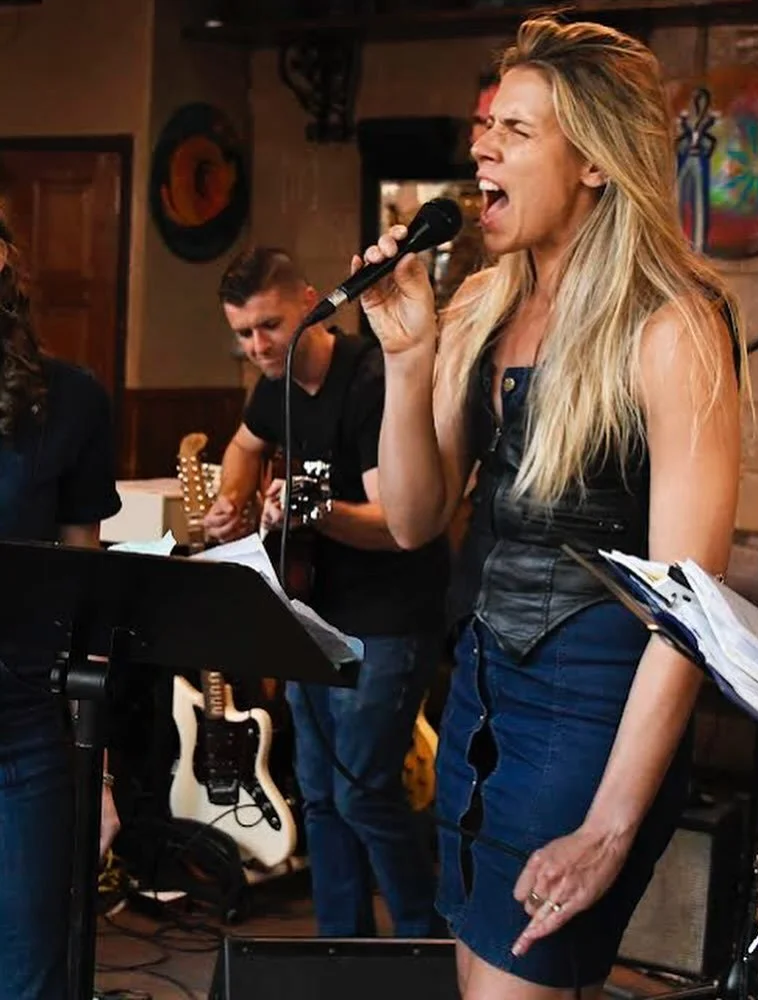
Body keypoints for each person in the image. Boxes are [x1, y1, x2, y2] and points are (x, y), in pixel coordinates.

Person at [354, 16, 746, 998]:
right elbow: (411, 520)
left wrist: (611, 824)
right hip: (478, 695)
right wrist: (407, 364)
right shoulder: (484, 304)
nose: (481, 145)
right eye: (486, 124)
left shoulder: (671, 328)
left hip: (591, 718)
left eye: (516, 130)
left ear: (595, 164)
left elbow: (688, 610)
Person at [202, 247, 450, 938]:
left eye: (270, 327)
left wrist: (318, 513)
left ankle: (423, 945)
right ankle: (341, 951)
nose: (257, 346)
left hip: (392, 615)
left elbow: (400, 528)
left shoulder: (369, 380)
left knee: (363, 791)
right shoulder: (273, 385)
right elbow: (244, 447)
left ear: (311, 301)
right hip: (313, 612)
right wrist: (233, 499)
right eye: (244, 334)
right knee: (318, 796)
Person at [0, 211, 122, 998]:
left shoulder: (72, 400)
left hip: (21, 733)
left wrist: (98, 771)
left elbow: (88, 589)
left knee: (32, 975)